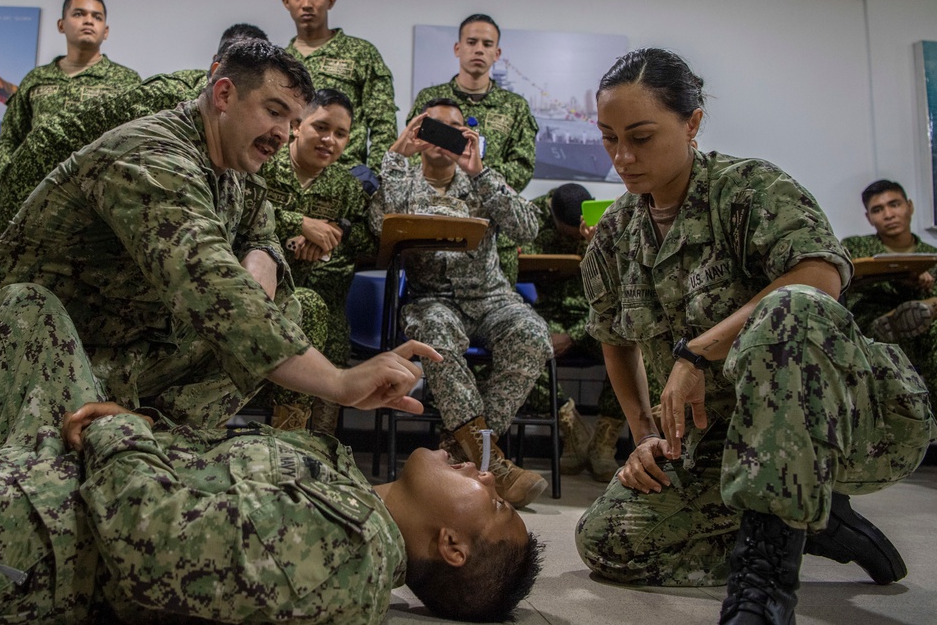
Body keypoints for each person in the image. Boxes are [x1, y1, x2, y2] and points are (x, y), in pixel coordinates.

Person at [573, 48, 932, 625]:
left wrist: (698, 350)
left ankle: (764, 586)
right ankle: (811, 518)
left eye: (640, 136)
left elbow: (820, 277)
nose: (622, 157)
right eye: (609, 137)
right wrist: (643, 435)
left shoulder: (749, 190)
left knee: (791, 308)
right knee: (608, 541)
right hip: (718, 442)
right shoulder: (614, 235)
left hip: (846, 424)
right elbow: (614, 337)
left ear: (692, 123)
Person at [0, 283, 541, 624]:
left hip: (33, 529)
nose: (485, 474)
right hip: (70, 475)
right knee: (25, 311)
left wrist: (120, 432)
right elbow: (207, 464)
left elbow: (151, 542)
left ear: (452, 547)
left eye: (491, 503)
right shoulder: (347, 491)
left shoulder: (350, 551)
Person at [0, 40, 426, 455]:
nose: (284, 133)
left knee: (283, 306)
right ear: (223, 94)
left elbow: (260, 234)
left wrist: (259, 266)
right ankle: (63, 462)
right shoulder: (151, 156)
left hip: (117, 343)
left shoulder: (237, 167)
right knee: (234, 313)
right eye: (274, 111)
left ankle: (153, 434)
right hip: (27, 344)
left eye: (292, 120)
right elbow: (211, 286)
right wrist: (341, 383)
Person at [369, 97, 553, 508]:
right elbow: (377, 226)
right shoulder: (403, 179)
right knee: (435, 330)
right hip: (432, 300)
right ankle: (492, 463)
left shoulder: (482, 180)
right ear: (416, 130)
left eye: (453, 128)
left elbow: (528, 227)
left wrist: (482, 173)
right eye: (432, 127)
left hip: (491, 298)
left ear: (466, 137)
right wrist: (397, 158)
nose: (443, 136)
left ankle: (459, 449)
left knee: (532, 333)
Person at [0, 23, 267, 232]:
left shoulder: (253, 119)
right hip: (50, 185)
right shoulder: (171, 98)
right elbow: (59, 138)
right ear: (216, 68)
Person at [263, 88, 377, 433]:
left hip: (329, 303)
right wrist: (297, 225)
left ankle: (320, 454)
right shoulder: (265, 165)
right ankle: (287, 443)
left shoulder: (345, 186)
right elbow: (243, 212)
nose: (330, 140)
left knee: (333, 345)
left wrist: (331, 234)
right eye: (321, 127)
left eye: (340, 134)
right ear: (297, 125)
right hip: (269, 298)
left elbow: (368, 236)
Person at [408, 13, 539, 282]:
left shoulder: (515, 107)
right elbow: (413, 151)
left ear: (497, 53)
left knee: (497, 313)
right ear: (458, 48)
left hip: (492, 230)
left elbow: (522, 167)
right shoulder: (430, 100)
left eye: (487, 44)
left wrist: (478, 174)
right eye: (472, 41)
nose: (479, 49)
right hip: (436, 223)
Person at [520, 182, 630, 482]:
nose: (573, 236)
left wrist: (600, 246)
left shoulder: (609, 219)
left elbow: (624, 289)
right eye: (565, 233)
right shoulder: (530, 220)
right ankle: (571, 429)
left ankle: (604, 446)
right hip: (551, 315)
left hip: (595, 316)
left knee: (631, 345)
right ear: (553, 218)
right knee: (524, 348)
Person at [0, 0, 140, 198]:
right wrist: (10, 183)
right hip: (37, 197)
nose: (88, 21)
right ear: (61, 25)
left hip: (100, 200)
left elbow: (138, 143)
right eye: (79, 14)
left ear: (105, 30)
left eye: (96, 17)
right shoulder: (35, 79)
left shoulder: (128, 81)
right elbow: (10, 137)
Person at [282, 0, 397, 182]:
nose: (306, 4)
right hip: (288, 175)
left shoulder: (361, 54)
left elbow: (384, 122)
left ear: (330, 1)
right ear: (287, 2)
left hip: (346, 176)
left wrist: (376, 174)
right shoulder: (280, 60)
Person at [841, 179, 937, 408]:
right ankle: (896, 321)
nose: (888, 214)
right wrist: (895, 274)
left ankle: (923, 309)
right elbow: (841, 281)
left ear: (909, 206)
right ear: (869, 218)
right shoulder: (855, 246)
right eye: (878, 209)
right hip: (870, 320)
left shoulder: (931, 256)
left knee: (933, 330)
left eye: (894, 204)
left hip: (923, 325)